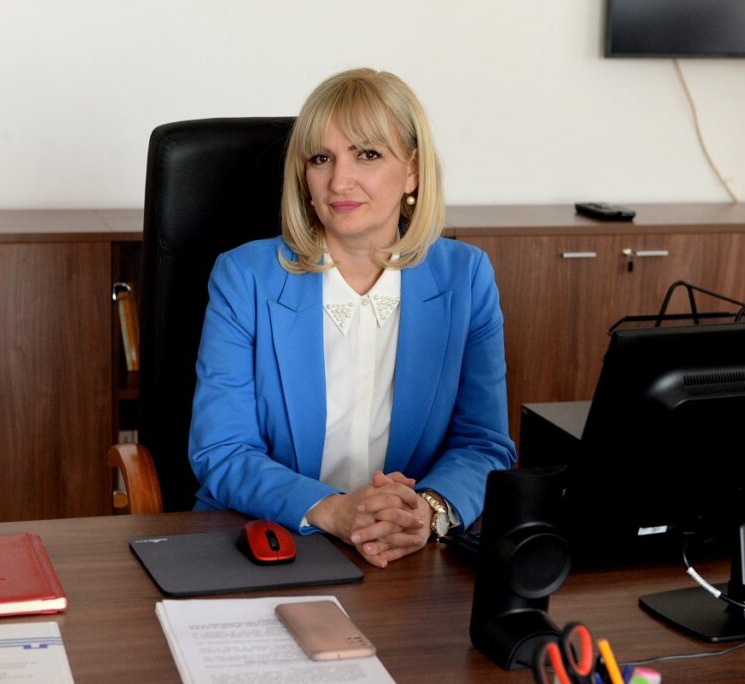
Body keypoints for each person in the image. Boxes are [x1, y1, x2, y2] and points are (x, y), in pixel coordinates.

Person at [188, 67, 516, 568]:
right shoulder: (245, 278)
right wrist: (334, 511)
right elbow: (223, 451)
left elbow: (484, 443)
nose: (339, 181)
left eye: (367, 154)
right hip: (264, 539)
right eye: (321, 158)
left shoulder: (465, 278)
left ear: (413, 171)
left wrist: (427, 511)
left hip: (406, 553)